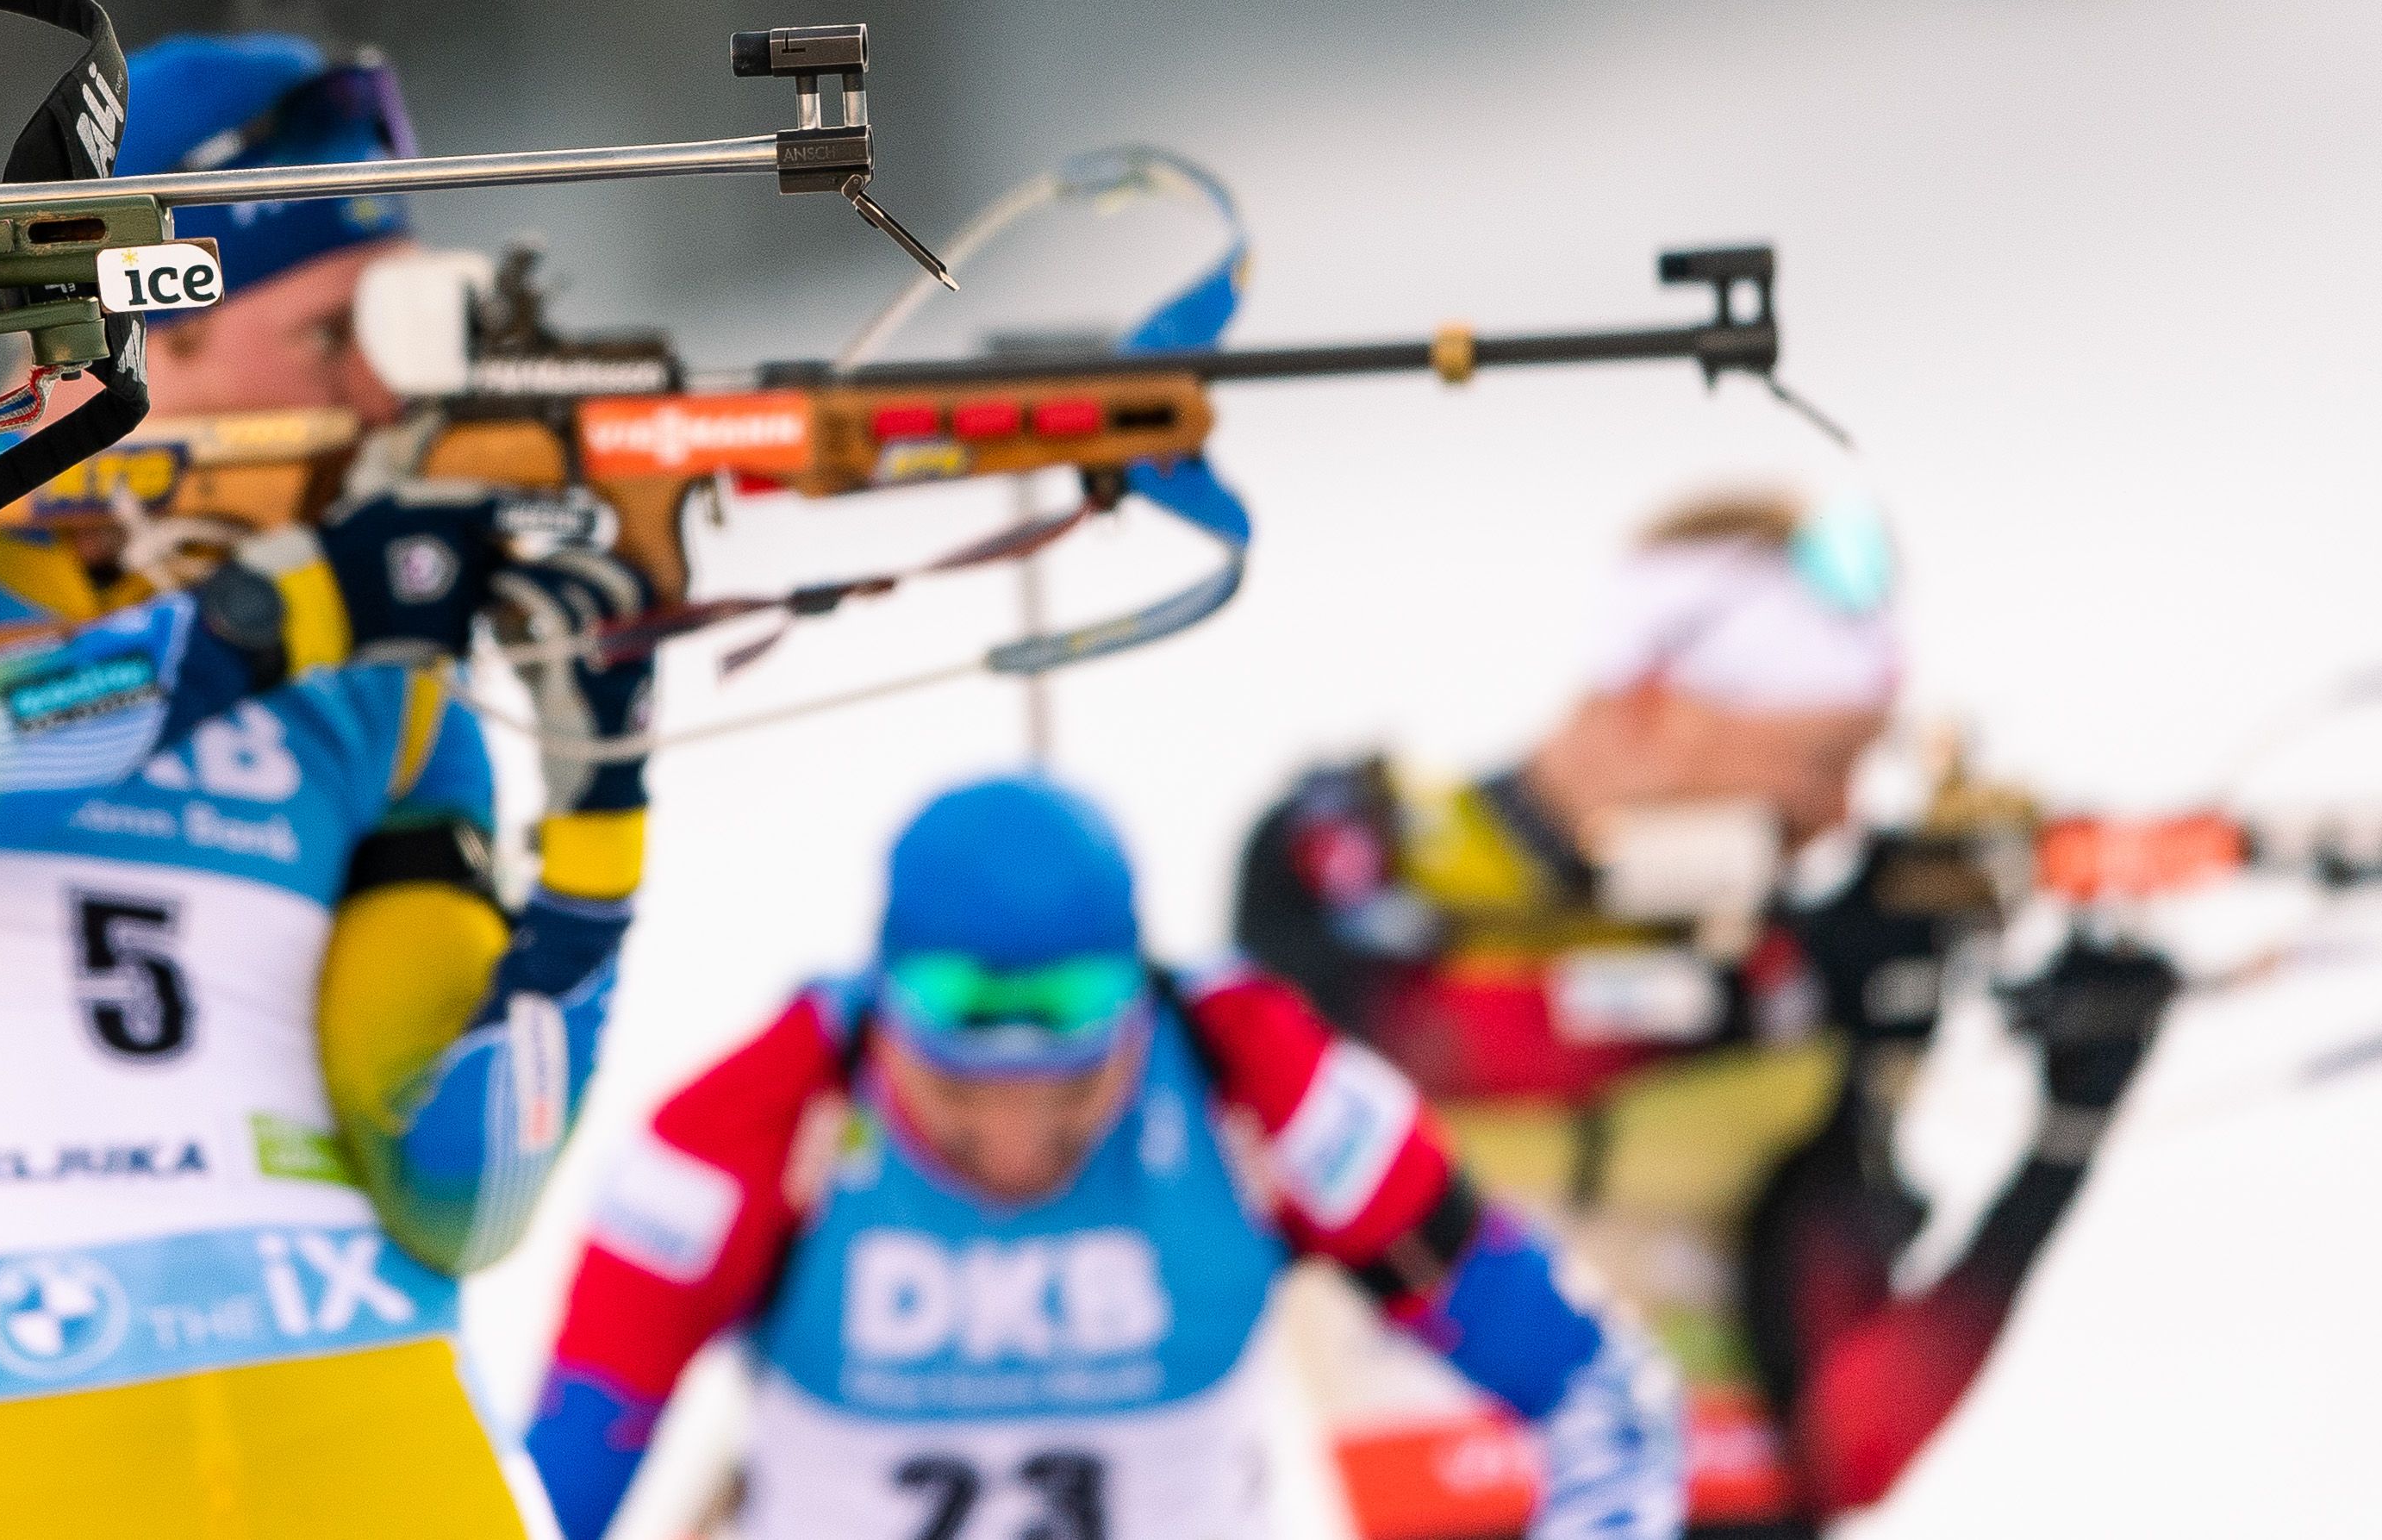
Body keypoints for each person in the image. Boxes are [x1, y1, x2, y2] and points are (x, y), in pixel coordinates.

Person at [0, 32, 667, 1537]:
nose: (386, 390)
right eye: (340, 328)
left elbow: (461, 1196)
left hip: (395, 1460)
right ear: (158, 319)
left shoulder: (382, 691)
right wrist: (262, 624)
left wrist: (600, 820)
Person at [1232, 492, 2179, 1534]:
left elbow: (1851, 1449)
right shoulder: (1370, 861)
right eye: (1820, 760)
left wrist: (2059, 1145)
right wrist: (1763, 1000)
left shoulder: (1787, 976)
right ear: (1652, 703)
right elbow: (1391, 1041)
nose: (1840, 815)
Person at [529, 772, 1682, 1540]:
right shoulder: (745, 1130)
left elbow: (1600, 1398)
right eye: (964, 1076)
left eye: (1075, 1078)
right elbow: (545, 1494)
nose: (1020, 1131)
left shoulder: (1256, 1077)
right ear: (883, 1000)